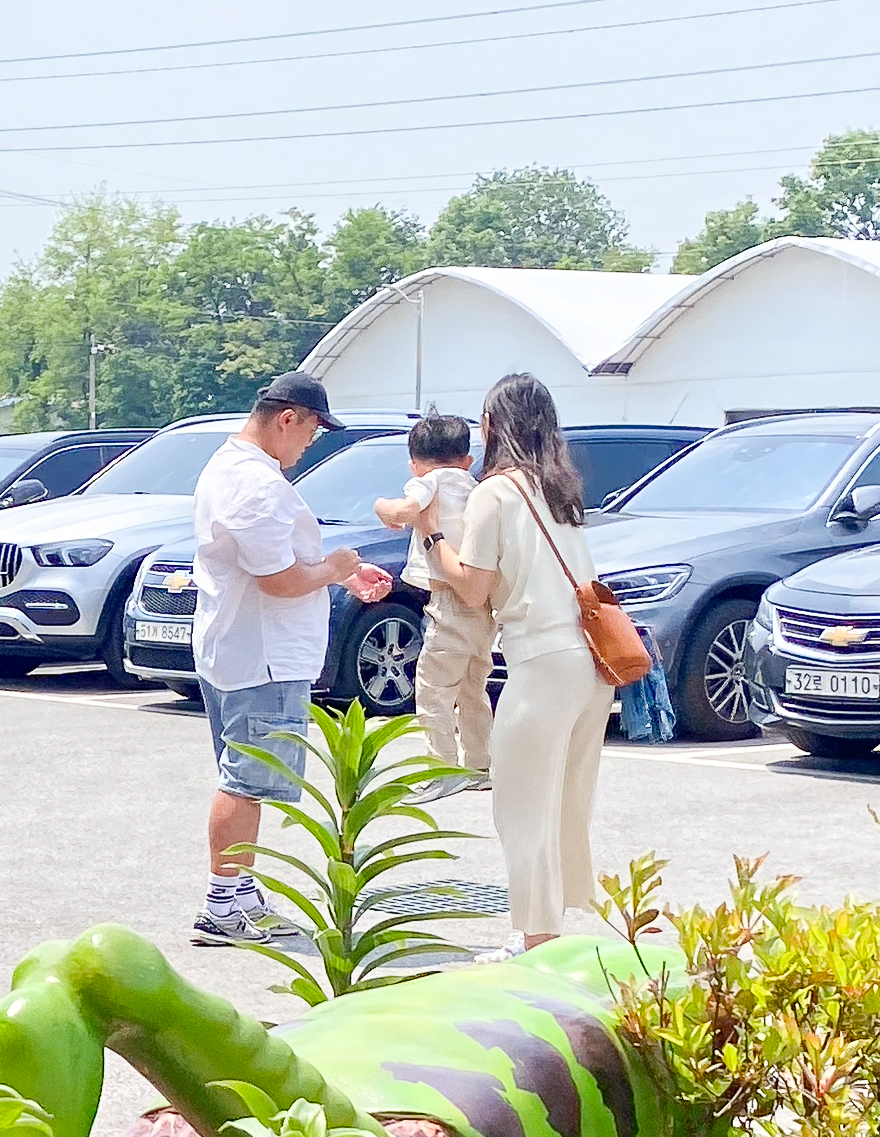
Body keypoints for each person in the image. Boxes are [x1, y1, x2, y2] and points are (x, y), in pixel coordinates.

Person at [187, 370, 390, 944]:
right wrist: (336, 566)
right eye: (310, 433)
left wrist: (340, 576)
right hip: (264, 656)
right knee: (246, 781)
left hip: (241, 647)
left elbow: (276, 563)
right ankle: (223, 904)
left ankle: (240, 894)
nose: (309, 445)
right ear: (287, 418)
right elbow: (277, 580)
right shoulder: (255, 484)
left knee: (246, 776)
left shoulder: (232, 468)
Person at [431, 371, 610, 949]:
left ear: (490, 426)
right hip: (591, 661)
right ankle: (547, 931)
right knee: (562, 801)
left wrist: (432, 535)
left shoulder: (496, 492)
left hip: (541, 660)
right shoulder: (559, 489)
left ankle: (535, 941)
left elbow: (474, 587)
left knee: (521, 805)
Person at [374, 411, 488, 791]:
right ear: (467, 458)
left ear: (414, 462)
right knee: (474, 689)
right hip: (482, 605)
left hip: (448, 602)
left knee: (433, 689)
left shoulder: (429, 482)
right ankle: (479, 767)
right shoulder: (475, 486)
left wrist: (381, 506)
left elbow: (405, 512)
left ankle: (440, 771)